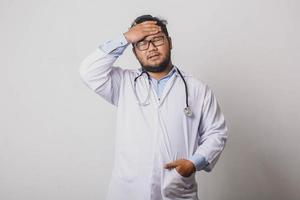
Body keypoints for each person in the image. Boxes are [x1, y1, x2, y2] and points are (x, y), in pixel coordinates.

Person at [79, 14, 228, 200]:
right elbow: (88, 71)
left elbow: (217, 133)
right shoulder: (123, 83)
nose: (151, 48)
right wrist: (125, 38)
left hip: (176, 190)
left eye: (157, 39)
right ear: (134, 51)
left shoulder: (197, 89)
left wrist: (193, 163)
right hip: (128, 191)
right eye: (141, 43)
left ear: (170, 42)